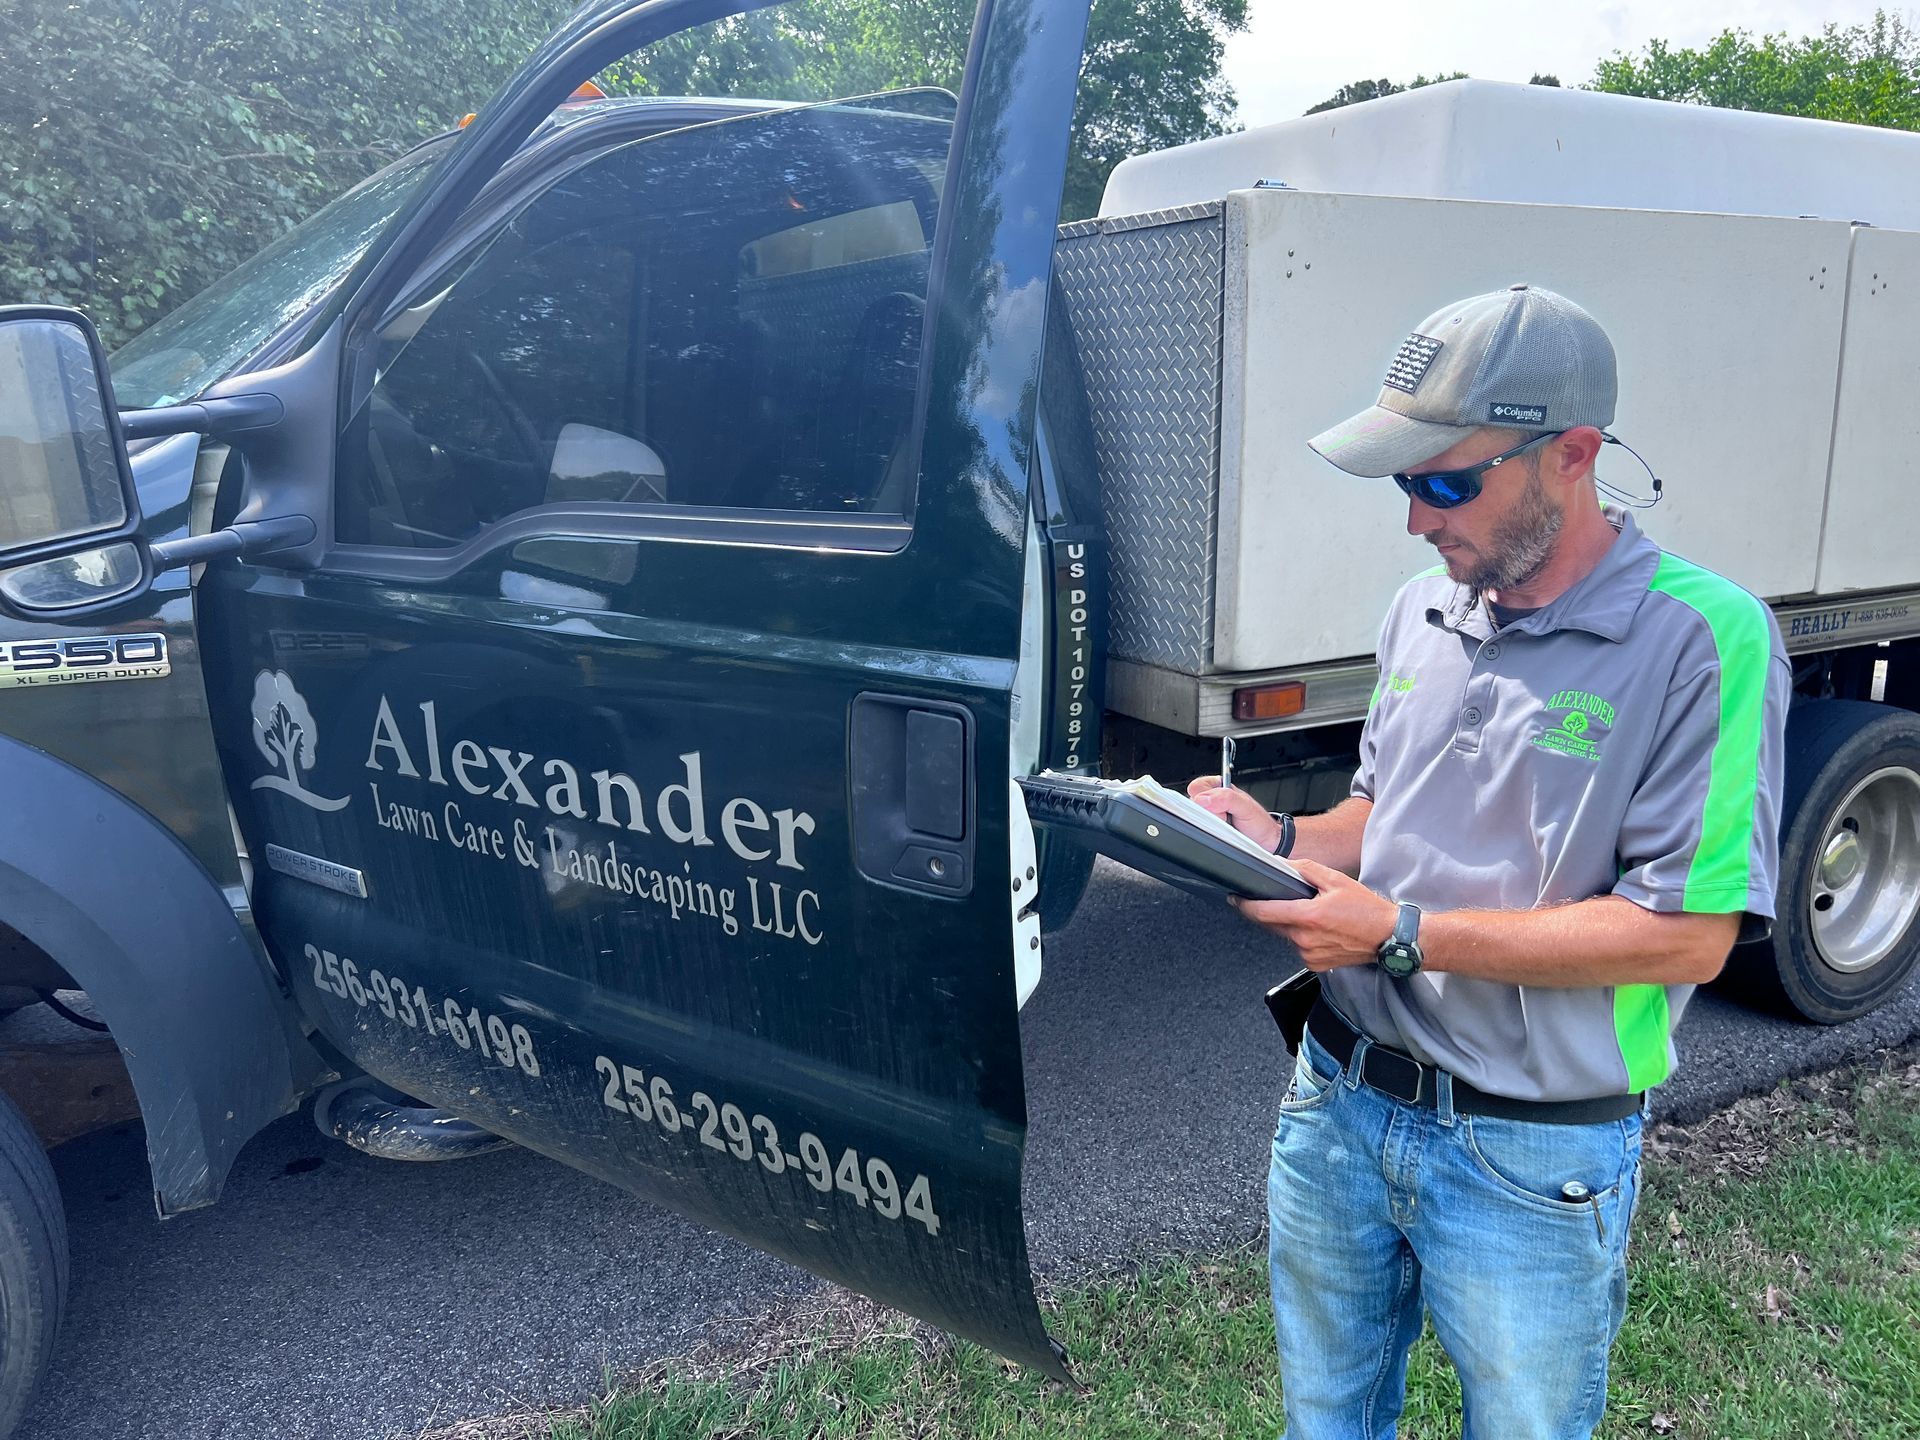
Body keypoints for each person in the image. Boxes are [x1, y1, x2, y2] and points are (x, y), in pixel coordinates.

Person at [1190, 284, 1790, 1439]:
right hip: (1336, 1100)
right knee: (1326, 1417)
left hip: (1529, 1147)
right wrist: (1266, 841)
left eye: (1447, 482)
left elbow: (1687, 933)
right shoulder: (1426, 606)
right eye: (1406, 484)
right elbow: (1382, 811)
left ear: (1571, 455)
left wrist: (1402, 935)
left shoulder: (1703, 638)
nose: (1418, 520)